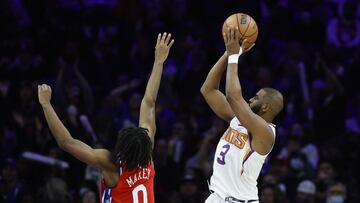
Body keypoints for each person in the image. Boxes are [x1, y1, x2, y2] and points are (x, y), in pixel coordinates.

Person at [37, 32, 174, 203]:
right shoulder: (147, 157)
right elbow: (149, 102)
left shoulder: (111, 165)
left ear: (121, 147)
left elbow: (66, 142)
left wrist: (46, 105)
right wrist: (158, 63)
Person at [201, 27, 284, 202]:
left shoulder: (266, 133)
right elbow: (208, 90)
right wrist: (227, 53)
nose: (251, 98)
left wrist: (234, 56)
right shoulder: (238, 119)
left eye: (256, 97)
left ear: (265, 108)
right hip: (216, 196)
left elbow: (232, 95)